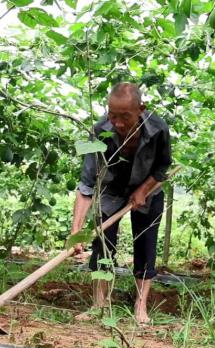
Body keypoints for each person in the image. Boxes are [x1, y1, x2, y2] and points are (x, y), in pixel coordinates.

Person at [70, 82, 172, 324]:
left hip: (148, 190)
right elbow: (86, 184)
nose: (117, 123)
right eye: (112, 115)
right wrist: (76, 231)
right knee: (102, 243)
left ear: (141, 109)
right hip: (111, 190)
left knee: (146, 244)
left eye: (125, 116)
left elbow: (163, 166)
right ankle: (99, 304)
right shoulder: (98, 131)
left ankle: (141, 305)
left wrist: (144, 189)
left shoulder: (158, 129)